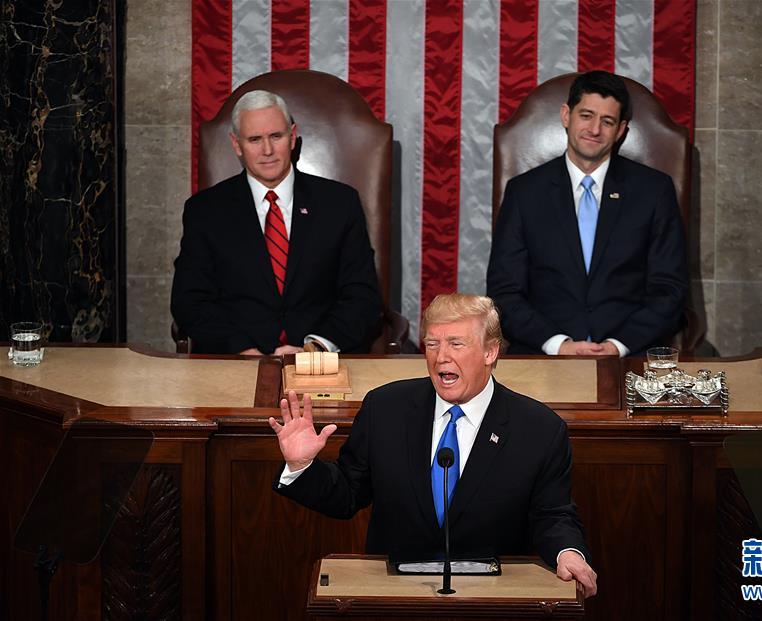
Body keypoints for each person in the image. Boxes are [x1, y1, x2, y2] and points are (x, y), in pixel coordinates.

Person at [269, 293, 597, 596]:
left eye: (456, 344)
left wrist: (568, 553)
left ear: (490, 352)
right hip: (396, 597)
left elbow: (553, 515)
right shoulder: (385, 409)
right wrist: (302, 466)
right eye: (432, 344)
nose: (441, 358)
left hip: (491, 600)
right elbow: (347, 494)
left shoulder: (538, 428)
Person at [486, 70, 688, 357]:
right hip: (544, 355)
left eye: (607, 121)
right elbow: (504, 291)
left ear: (621, 130)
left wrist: (618, 346)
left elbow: (669, 288)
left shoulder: (654, 191)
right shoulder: (524, 192)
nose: (594, 129)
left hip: (630, 355)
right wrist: (556, 344)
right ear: (566, 116)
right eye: (586, 116)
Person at [171, 89, 381, 355]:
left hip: (318, 363)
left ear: (292, 137)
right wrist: (241, 349)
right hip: (235, 362)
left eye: (276, 136)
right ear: (237, 144)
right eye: (255, 139)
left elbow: (362, 297)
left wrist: (316, 347)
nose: (267, 150)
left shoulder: (340, 204)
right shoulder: (205, 211)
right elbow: (190, 301)